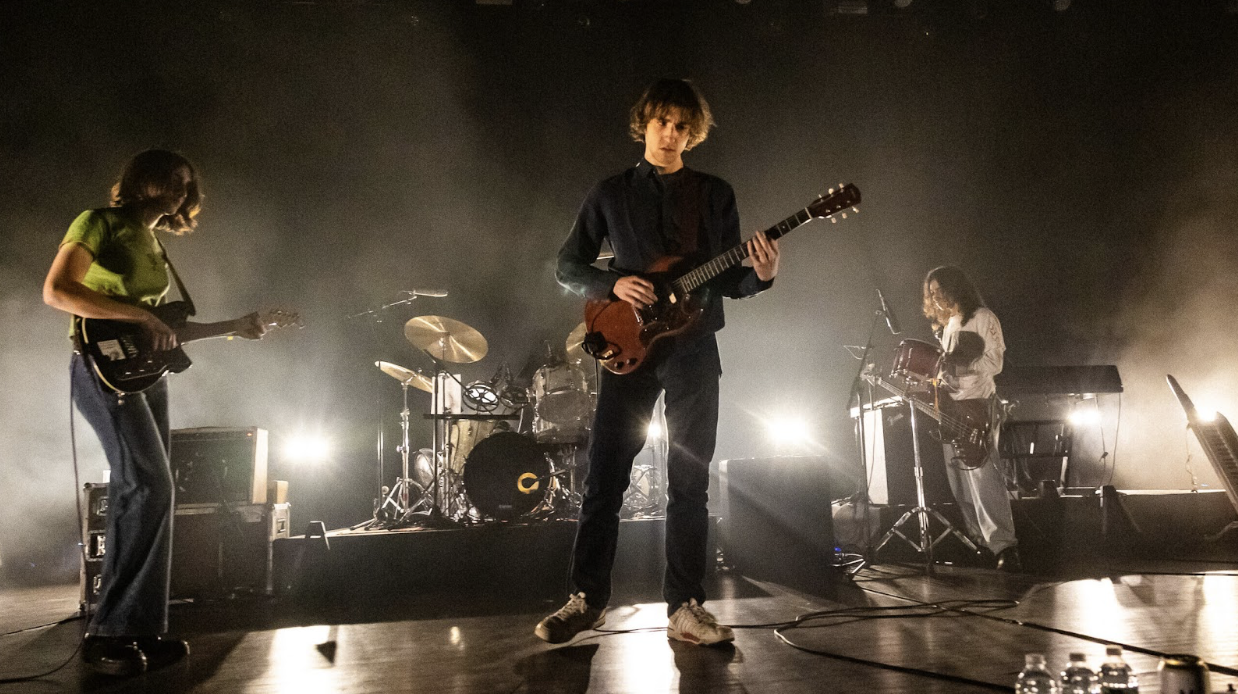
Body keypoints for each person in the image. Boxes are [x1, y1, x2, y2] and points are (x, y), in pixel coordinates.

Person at [539, 78, 780, 646]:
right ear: (644, 124)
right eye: (662, 122)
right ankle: (586, 599)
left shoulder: (715, 194)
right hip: (628, 349)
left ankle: (686, 606)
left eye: (681, 127)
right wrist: (613, 284)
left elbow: (730, 279)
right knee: (604, 479)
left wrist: (762, 276)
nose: (670, 134)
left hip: (694, 349)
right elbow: (567, 265)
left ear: (693, 135)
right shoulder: (610, 192)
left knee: (689, 482)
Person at [43, 149, 266, 676]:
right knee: (148, 485)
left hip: (144, 373)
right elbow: (58, 290)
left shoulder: (155, 243)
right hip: (100, 368)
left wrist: (234, 327)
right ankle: (107, 633)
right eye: (171, 180)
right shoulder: (98, 223)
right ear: (142, 180)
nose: (180, 192)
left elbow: (163, 329)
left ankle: (141, 628)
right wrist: (140, 315)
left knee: (150, 492)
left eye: (187, 186)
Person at [922, 265, 1021, 572]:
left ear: (955, 287)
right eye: (931, 293)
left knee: (983, 476)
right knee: (960, 481)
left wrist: (965, 368)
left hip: (979, 404)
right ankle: (980, 543)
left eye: (939, 290)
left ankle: (1004, 546)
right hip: (951, 408)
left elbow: (995, 361)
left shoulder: (982, 317)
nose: (935, 297)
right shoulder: (947, 325)